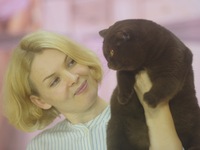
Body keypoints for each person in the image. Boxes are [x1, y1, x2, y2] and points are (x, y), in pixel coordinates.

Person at [3, 30, 183, 150]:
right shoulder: (41, 147)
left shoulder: (149, 115)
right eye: (55, 81)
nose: (73, 78)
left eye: (71, 62)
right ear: (40, 101)